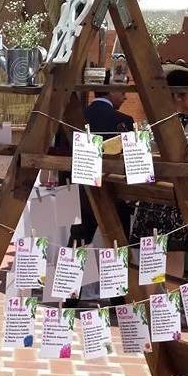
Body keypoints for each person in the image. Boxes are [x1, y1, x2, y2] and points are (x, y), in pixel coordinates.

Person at [130, 60, 188, 277]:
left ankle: (147, 308)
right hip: (175, 201)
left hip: (149, 197)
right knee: (173, 263)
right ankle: (167, 311)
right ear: (178, 96)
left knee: (149, 266)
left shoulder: (146, 125)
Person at [69, 71, 134, 246]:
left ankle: (66, 273)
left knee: (77, 243)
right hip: (114, 193)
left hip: (79, 191)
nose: (126, 97)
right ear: (111, 90)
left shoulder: (74, 118)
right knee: (118, 247)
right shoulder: (124, 121)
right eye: (122, 92)